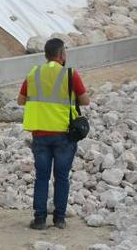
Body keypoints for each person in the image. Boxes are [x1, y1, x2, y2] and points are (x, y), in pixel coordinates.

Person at [18, 38, 91, 231]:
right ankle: (59, 219)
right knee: (62, 177)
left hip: (40, 133)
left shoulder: (34, 73)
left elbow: (21, 100)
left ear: (45, 55)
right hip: (64, 134)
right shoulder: (70, 74)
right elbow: (85, 101)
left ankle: (40, 219)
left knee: (42, 177)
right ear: (62, 55)